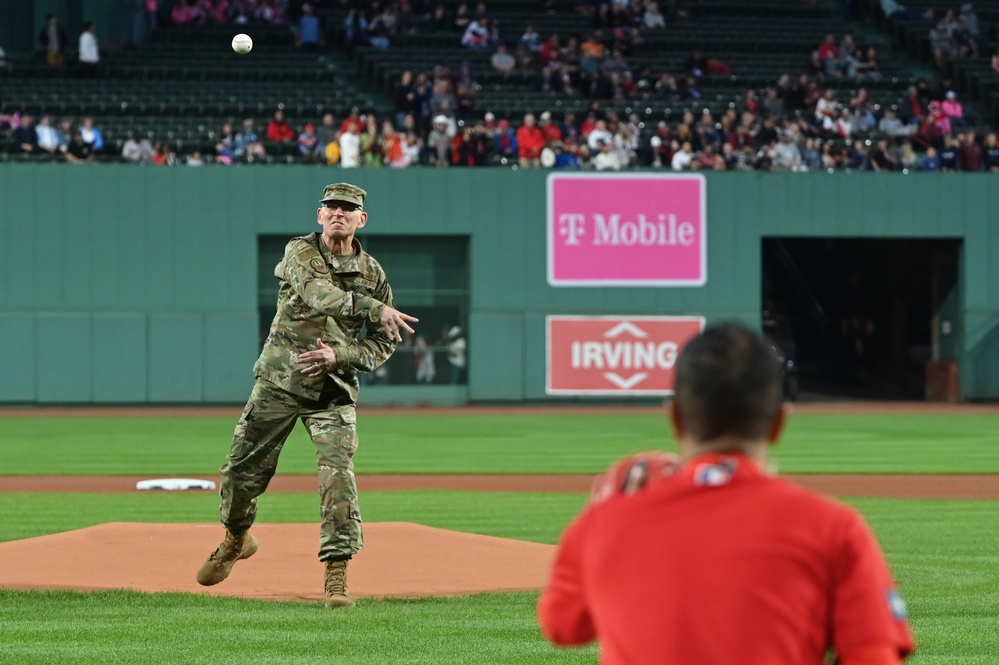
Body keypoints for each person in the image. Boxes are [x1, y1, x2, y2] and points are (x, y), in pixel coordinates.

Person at [538, 322, 916, 665]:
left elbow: (562, 624)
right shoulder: (834, 528)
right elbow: (874, 657)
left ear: (674, 417)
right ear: (778, 423)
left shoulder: (606, 522)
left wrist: (600, 513)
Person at [195, 183, 419, 609]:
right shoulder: (300, 252)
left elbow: (383, 342)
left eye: (348, 208)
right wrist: (373, 309)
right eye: (332, 206)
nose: (339, 213)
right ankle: (236, 539)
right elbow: (320, 294)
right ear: (320, 214)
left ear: (361, 219)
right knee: (240, 475)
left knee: (338, 479)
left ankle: (337, 576)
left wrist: (343, 355)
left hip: (332, 391)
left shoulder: (373, 274)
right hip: (280, 381)